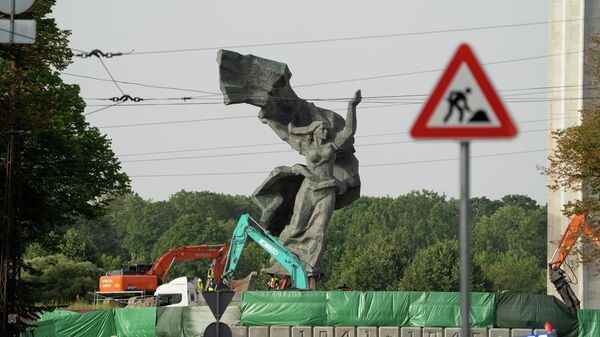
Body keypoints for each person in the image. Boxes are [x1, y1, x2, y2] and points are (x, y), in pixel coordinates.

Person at [260, 90, 362, 278]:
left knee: (320, 230)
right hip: (308, 190)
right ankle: (279, 260)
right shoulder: (306, 146)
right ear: (314, 132)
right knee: (296, 227)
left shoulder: (332, 146)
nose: (326, 132)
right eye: (322, 129)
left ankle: (310, 266)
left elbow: (348, 131)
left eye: (326, 129)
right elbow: (285, 134)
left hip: (326, 192)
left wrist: (351, 106)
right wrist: (269, 120)